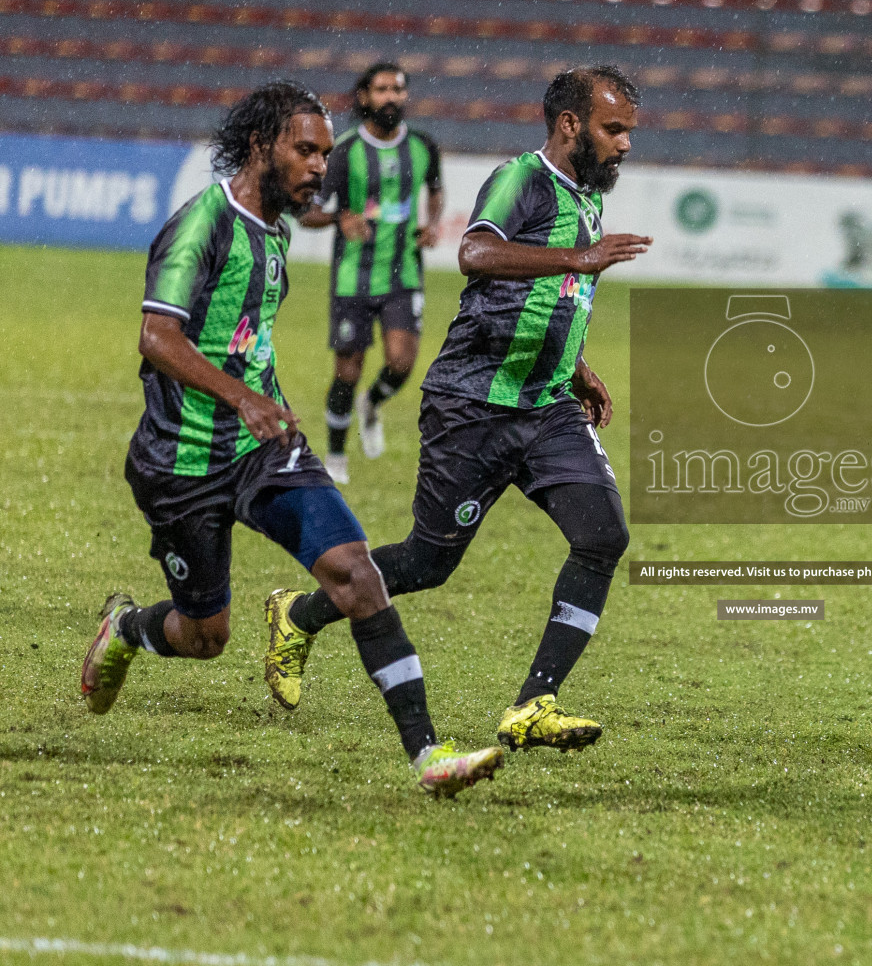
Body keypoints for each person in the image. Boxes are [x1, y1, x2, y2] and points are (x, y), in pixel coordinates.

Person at [80, 80, 502, 798]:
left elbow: (245, 336)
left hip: (266, 449)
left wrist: (262, 399)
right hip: (181, 461)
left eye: (325, 153)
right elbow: (158, 336)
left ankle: (429, 755)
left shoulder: (273, 230)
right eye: (305, 150)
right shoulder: (202, 224)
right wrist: (241, 394)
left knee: (355, 573)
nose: (319, 166)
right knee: (205, 635)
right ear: (259, 146)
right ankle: (125, 629)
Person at [262, 65, 652, 757]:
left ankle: (534, 702)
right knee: (425, 562)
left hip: (546, 405)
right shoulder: (520, 180)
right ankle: (299, 612)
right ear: (570, 125)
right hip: (472, 404)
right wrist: (581, 257)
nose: (624, 144)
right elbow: (475, 252)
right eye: (612, 129)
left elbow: (560, 294)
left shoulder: (588, 196)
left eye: (627, 131)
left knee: (604, 536)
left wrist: (577, 366)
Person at [300, 62, 444, 484]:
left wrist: (432, 223)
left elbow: (435, 188)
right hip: (353, 276)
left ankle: (372, 404)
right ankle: (336, 455)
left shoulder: (422, 146)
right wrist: (337, 219)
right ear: (365, 97)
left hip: (403, 274)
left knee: (402, 362)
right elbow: (305, 211)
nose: (391, 97)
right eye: (382, 89)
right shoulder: (342, 151)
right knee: (347, 371)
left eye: (397, 89)